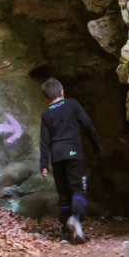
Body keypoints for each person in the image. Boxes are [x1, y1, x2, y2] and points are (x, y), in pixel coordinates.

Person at [39, 77, 100, 243]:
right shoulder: (72, 104)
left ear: (46, 99)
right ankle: (76, 217)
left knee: (64, 195)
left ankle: (66, 234)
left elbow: (44, 140)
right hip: (72, 151)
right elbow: (87, 124)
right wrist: (96, 146)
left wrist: (43, 164)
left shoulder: (46, 113)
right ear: (62, 92)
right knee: (78, 188)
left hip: (56, 155)